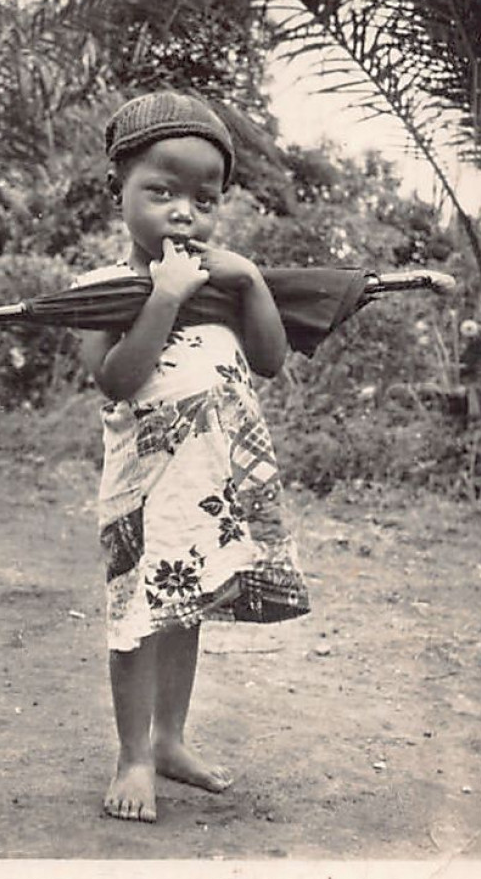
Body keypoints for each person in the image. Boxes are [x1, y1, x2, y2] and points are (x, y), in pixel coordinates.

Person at [76, 91, 310, 823]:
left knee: (185, 613)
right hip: (146, 493)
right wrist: (165, 299)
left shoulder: (227, 288)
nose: (185, 212)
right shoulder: (100, 292)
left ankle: (171, 739)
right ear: (119, 192)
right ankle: (133, 757)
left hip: (215, 487)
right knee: (137, 620)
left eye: (204, 199)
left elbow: (270, 362)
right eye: (161, 191)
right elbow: (117, 377)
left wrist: (251, 283)